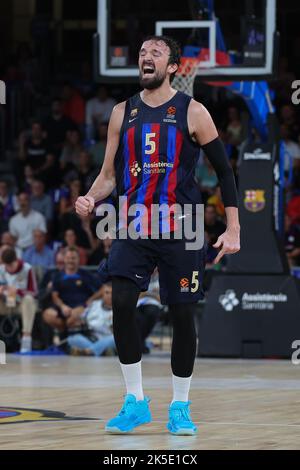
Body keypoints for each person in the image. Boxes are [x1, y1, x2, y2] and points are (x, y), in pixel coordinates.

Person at [75, 35, 240, 435]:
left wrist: (233, 227)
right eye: (142, 53)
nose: (146, 57)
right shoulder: (121, 112)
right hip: (133, 225)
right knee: (123, 304)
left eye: (156, 53)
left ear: (172, 68)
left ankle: (180, 407)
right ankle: (135, 401)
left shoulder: (194, 111)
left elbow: (224, 172)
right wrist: (91, 197)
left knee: (183, 314)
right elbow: (109, 176)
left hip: (181, 225)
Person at [42, 247, 101, 334]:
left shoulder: (86, 274)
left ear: (78, 260)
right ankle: (64, 331)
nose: (71, 261)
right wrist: (62, 306)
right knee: (47, 315)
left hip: (81, 307)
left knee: (72, 319)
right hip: (63, 308)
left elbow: (102, 289)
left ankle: (64, 335)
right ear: (64, 259)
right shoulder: (57, 276)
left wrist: (91, 299)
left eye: (73, 258)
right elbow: (55, 296)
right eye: (68, 258)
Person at [0, 247, 38, 352]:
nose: (10, 269)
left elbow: (34, 291)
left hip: (20, 304)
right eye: (7, 266)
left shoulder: (27, 269)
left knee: (29, 300)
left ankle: (26, 339)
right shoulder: (1, 269)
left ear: (16, 260)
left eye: (11, 265)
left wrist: (18, 291)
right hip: (5, 303)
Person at [67, 282, 116, 357]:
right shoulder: (94, 305)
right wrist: (78, 320)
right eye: (107, 293)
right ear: (102, 294)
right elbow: (81, 319)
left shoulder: (121, 308)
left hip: (109, 338)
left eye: (112, 293)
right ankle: (101, 351)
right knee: (72, 339)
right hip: (93, 337)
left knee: (114, 339)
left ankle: (89, 352)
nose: (109, 296)